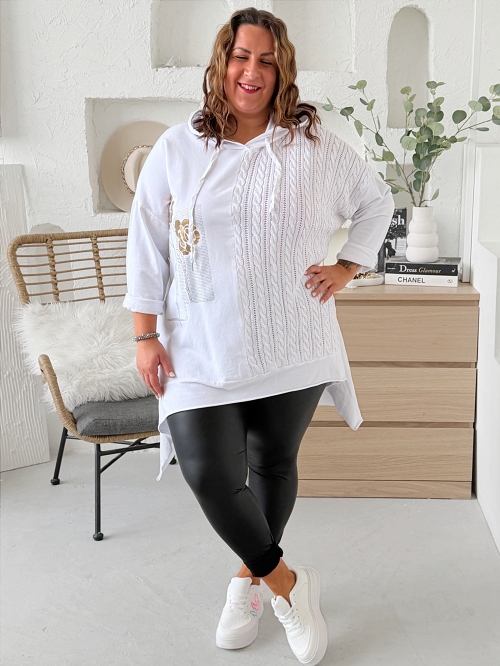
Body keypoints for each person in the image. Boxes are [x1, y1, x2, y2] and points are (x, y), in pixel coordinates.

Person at [123, 7, 394, 665]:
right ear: (222, 63)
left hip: (291, 335)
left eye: (267, 60)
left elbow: (376, 200)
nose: (253, 71)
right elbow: (147, 240)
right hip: (198, 342)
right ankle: (289, 586)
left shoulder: (312, 144)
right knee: (209, 472)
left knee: (272, 463)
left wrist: (347, 266)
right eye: (242, 57)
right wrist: (144, 333)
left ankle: (247, 581)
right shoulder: (178, 147)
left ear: (282, 70)